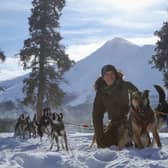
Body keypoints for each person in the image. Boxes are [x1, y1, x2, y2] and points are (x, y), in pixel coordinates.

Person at [92, 64, 138, 148]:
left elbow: (140, 103)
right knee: (104, 144)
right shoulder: (101, 93)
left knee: (138, 144)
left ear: (116, 74)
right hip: (115, 124)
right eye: (106, 74)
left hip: (132, 123)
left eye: (112, 73)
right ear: (103, 77)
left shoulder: (127, 86)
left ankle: (131, 139)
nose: (110, 76)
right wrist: (99, 137)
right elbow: (97, 115)